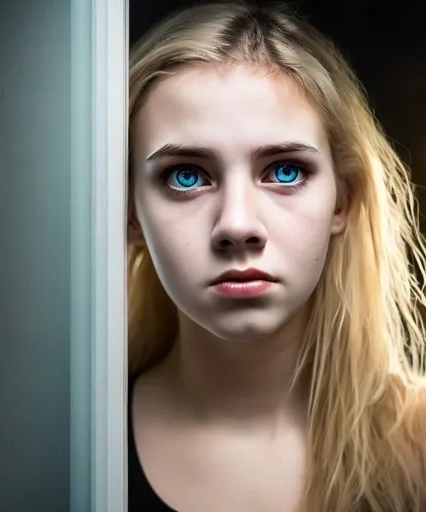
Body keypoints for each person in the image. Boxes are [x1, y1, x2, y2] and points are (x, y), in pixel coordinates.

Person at [127, 1, 426, 510]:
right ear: (129, 214)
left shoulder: (418, 449)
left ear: (344, 199)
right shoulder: (62, 446)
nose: (238, 225)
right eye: (186, 175)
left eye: (284, 171)